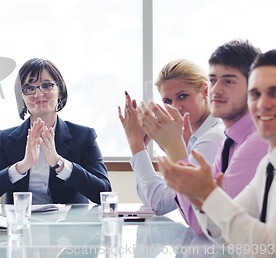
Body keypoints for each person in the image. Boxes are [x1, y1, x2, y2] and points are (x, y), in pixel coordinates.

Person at [159, 49, 276, 255]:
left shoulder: (255, 144)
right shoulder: (267, 163)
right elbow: (221, 229)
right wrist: (205, 201)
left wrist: (206, 195)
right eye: (256, 94)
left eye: (273, 93)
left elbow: (268, 246)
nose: (261, 104)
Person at [0, 58, 111, 204]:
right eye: (29, 88)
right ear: (22, 98)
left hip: (67, 225)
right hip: (21, 223)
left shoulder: (83, 137)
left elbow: (104, 194)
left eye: (46, 86)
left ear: (60, 92)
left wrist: (59, 163)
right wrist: (23, 165)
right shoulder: (6, 139)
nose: (38, 94)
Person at [118, 59, 224, 215]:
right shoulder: (192, 139)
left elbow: (161, 204)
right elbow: (150, 201)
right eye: (167, 101)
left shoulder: (213, 138)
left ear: (205, 91)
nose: (175, 107)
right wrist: (143, 147)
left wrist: (136, 145)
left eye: (182, 96)